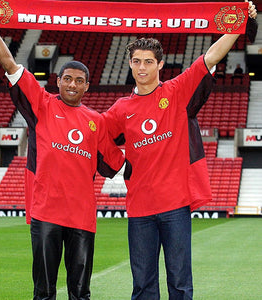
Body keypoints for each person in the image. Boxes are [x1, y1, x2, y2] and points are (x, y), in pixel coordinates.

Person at [103, 2, 257, 299]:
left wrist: (237, 23)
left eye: (149, 61)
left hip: (175, 206)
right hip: (139, 209)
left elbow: (210, 56)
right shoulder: (120, 109)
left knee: (180, 283)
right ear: (130, 64)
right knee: (143, 284)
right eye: (137, 61)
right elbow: (96, 137)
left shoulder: (176, 91)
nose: (143, 67)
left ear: (160, 65)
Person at [0, 2, 125, 300]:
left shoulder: (97, 122)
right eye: (67, 79)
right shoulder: (42, 105)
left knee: (80, 292)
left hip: (82, 217)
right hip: (47, 214)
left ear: (87, 87)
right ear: (58, 82)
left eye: (79, 81)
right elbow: (10, 65)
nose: (72, 84)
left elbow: (114, 164)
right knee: (44, 291)